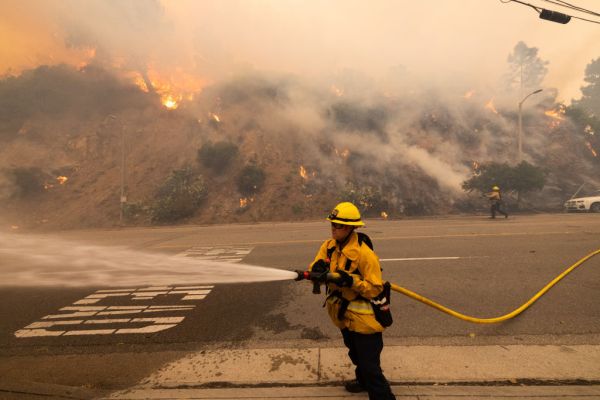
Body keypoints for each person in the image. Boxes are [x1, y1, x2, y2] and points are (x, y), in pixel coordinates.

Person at [307, 202, 396, 400]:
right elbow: (315, 265)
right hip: (344, 316)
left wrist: (352, 281)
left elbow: (375, 288)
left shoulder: (365, 254)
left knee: (370, 366)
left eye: (338, 226)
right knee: (355, 355)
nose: (333, 229)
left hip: (365, 321)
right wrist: (317, 268)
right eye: (332, 224)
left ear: (350, 228)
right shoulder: (329, 247)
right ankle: (362, 381)